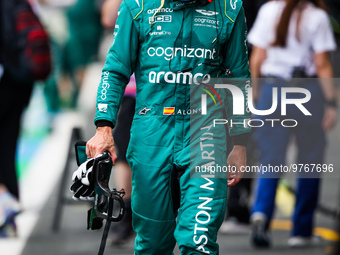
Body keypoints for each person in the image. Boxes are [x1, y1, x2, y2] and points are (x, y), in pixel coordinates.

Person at [85, 0, 251, 253]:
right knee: (153, 243)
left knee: (200, 241)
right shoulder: (137, 6)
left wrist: (240, 143)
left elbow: (238, 77)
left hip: (206, 133)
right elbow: (115, 69)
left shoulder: (229, 8)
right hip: (152, 133)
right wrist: (104, 127)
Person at [248, 0, 337, 248]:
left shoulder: (268, 10)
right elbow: (322, 64)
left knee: (270, 159)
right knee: (310, 160)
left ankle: (261, 213)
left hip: (272, 90)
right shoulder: (317, 16)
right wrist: (331, 103)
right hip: (307, 92)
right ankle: (301, 230)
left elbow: (257, 60)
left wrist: (255, 97)